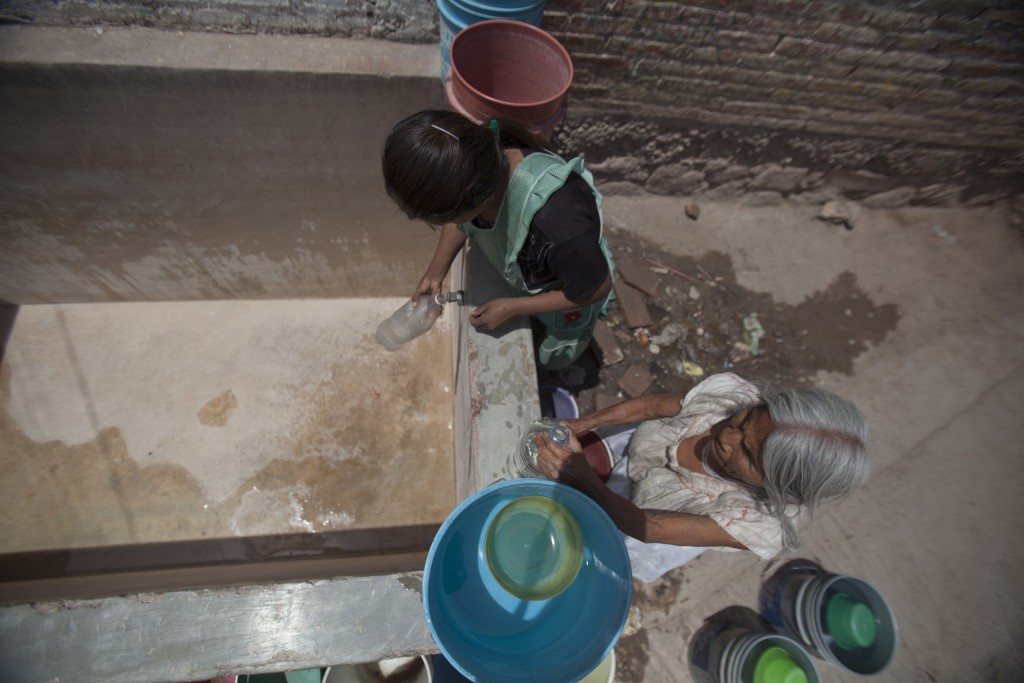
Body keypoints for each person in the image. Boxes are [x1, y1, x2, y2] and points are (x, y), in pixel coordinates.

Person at [533, 373, 869, 563]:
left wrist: (584, 478)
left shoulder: (761, 522)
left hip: (641, 523)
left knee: (587, 547)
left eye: (747, 455)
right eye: (746, 418)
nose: (726, 436)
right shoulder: (728, 398)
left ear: (777, 489)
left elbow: (652, 527)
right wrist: (581, 424)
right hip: (639, 459)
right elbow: (651, 407)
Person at [381, 110, 615, 371]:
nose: (444, 224)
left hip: (573, 293)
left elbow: (597, 287)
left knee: (554, 353)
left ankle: (553, 373)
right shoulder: (477, 160)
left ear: (475, 200)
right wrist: (435, 272)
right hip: (545, 273)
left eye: (439, 218)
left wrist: (514, 307)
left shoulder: (557, 225)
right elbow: (461, 220)